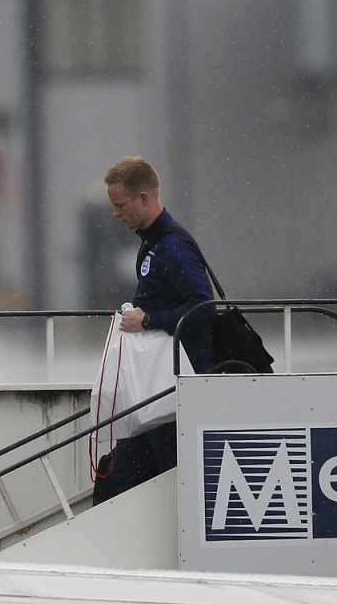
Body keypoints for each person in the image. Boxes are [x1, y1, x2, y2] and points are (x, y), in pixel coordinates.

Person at [95, 156, 216, 502]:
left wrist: (148, 320)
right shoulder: (153, 241)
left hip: (176, 387)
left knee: (162, 478)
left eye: (121, 205)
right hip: (154, 386)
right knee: (122, 477)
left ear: (143, 198)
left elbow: (204, 308)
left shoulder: (173, 245)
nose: (116, 213)